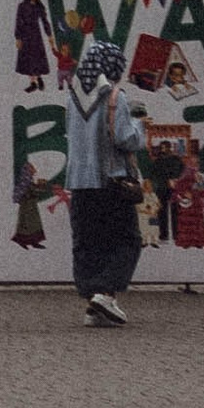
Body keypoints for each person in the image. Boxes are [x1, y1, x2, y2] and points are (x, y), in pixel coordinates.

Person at [64, 39, 148, 325]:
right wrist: (139, 121)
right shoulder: (115, 97)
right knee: (126, 240)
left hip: (79, 182)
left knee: (89, 242)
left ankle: (93, 304)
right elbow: (127, 139)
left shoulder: (72, 97)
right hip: (111, 180)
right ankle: (106, 295)